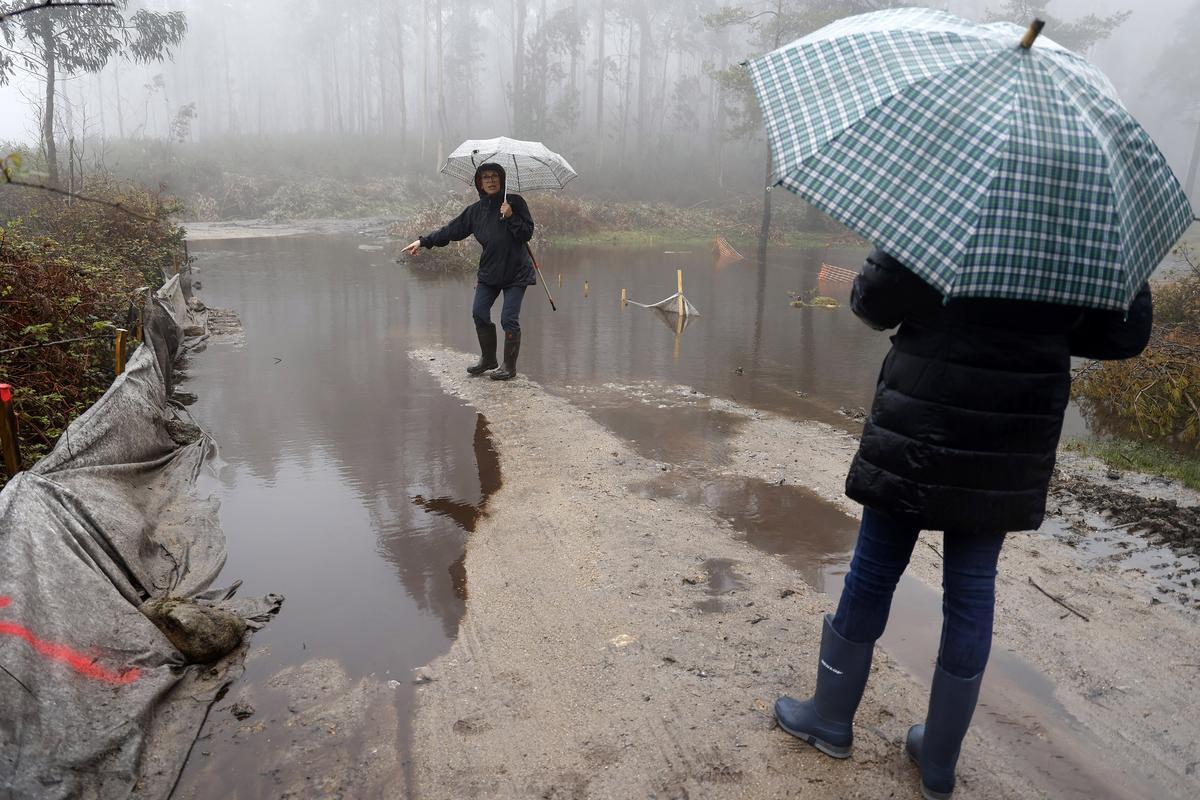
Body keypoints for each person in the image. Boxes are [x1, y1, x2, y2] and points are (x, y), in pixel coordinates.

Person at [775, 250, 1153, 800]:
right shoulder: (1083, 233)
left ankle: (830, 720)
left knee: (875, 567)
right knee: (972, 587)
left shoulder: (946, 204)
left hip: (921, 412)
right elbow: (1122, 337)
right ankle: (939, 762)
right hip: (1011, 431)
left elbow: (873, 302)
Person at [404, 162, 536, 381]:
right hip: (489, 273)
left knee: (508, 319)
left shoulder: (515, 203)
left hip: (516, 273)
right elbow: (450, 231)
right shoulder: (475, 212)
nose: (491, 180)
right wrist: (423, 241)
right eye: (486, 177)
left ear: (501, 180)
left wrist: (511, 215)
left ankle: (509, 367)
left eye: (495, 176)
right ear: (479, 183)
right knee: (479, 312)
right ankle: (488, 359)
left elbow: (526, 234)